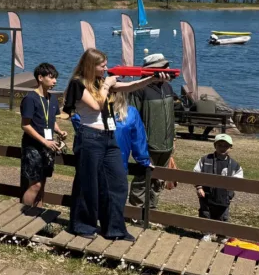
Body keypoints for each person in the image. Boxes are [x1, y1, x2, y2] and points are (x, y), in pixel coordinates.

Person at [62, 48, 161, 242]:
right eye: (102, 66)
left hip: (109, 137)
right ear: (91, 66)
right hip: (89, 136)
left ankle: (115, 228)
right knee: (88, 183)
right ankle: (82, 225)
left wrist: (152, 79)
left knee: (117, 183)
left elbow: (130, 86)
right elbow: (97, 105)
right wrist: (107, 84)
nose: (106, 69)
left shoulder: (101, 82)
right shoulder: (78, 83)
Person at [127, 53, 177, 211]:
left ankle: (152, 211)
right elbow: (132, 118)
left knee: (158, 180)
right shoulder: (139, 89)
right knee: (142, 179)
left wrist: (173, 138)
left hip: (166, 145)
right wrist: (139, 144)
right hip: (148, 145)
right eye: (164, 67)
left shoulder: (168, 87)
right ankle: (136, 212)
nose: (168, 69)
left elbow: (171, 115)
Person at [19, 63, 66, 208]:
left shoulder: (52, 99)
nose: (55, 81)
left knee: (43, 182)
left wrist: (59, 131)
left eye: (55, 78)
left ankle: (37, 213)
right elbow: (25, 125)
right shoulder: (30, 99)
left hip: (48, 146)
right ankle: (25, 215)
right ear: (40, 78)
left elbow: (51, 120)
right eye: (51, 78)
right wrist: (44, 141)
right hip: (33, 146)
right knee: (35, 185)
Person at [194, 134, 243, 237]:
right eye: (219, 145)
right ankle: (206, 234)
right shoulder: (205, 159)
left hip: (224, 196)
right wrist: (199, 187)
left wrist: (231, 193)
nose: (222, 148)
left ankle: (221, 236)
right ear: (215, 146)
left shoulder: (234, 165)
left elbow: (238, 181)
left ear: (231, 147)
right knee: (205, 213)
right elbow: (196, 173)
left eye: (226, 146)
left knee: (223, 215)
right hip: (206, 194)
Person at [112, 90, 151, 181]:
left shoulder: (90, 112)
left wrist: (144, 160)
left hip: (96, 164)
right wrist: (144, 161)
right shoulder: (131, 113)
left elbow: (138, 140)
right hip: (118, 166)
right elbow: (138, 140)